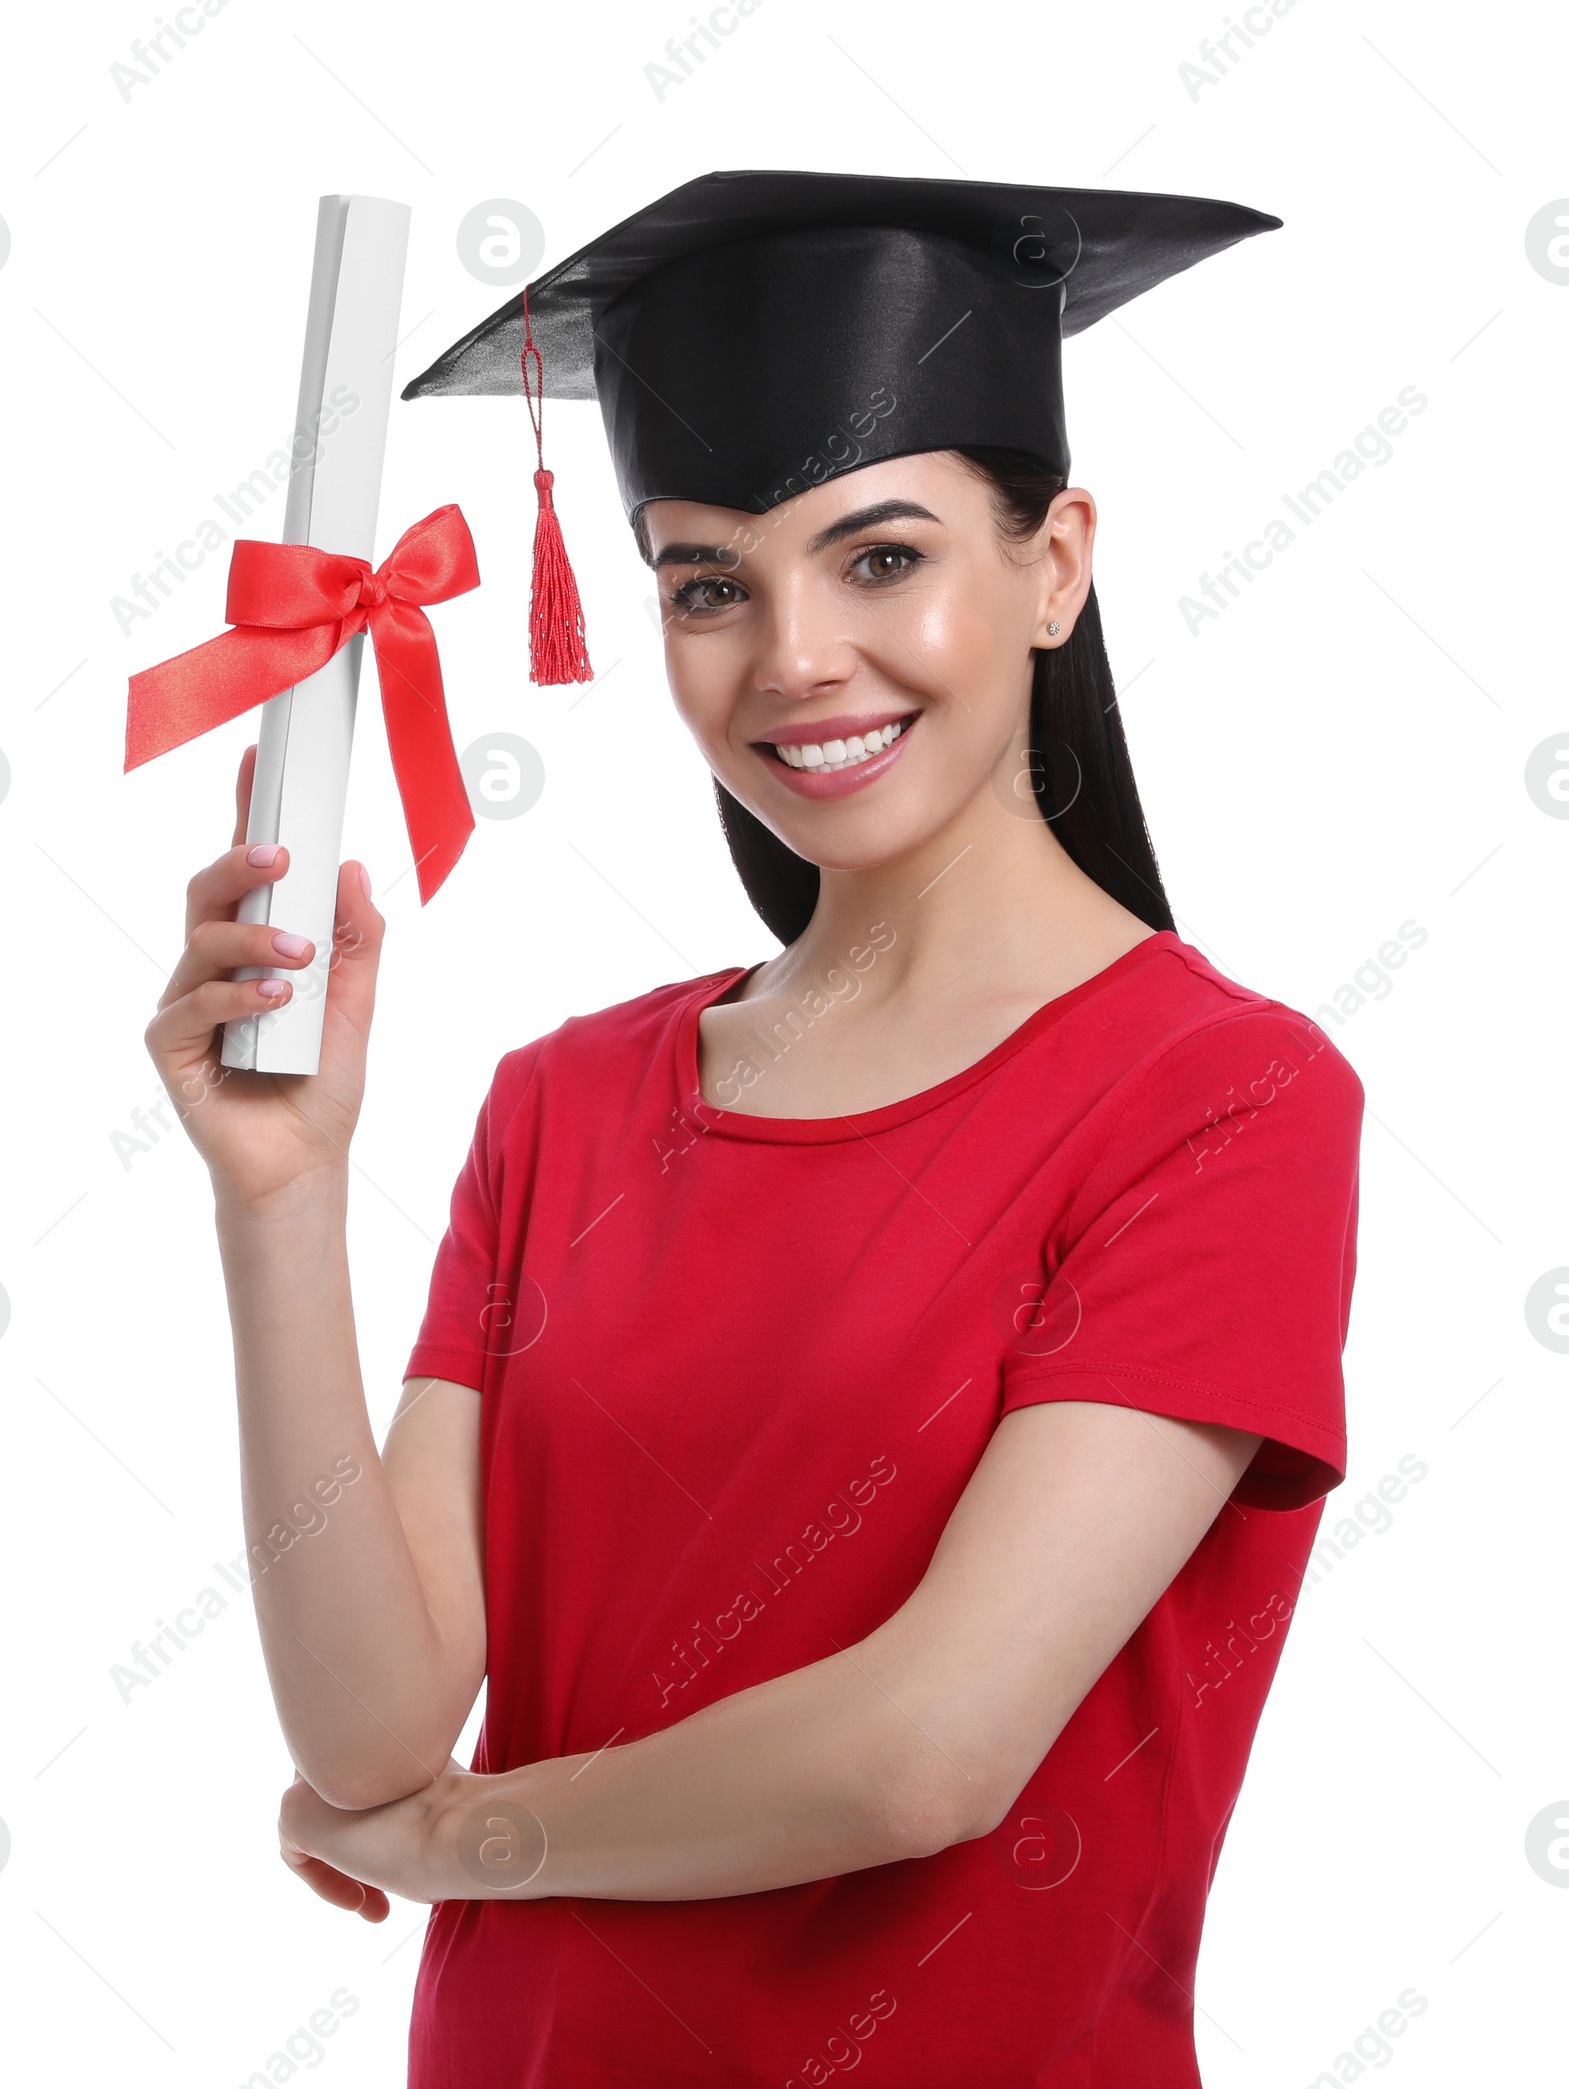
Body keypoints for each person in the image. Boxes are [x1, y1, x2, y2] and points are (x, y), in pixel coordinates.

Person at [145, 172, 1365, 2087]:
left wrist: (467, 1840)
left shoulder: (1223, 1099)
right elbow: (370, 1729)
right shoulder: (564, 1101)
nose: (790, 657)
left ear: (1054, 563)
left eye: (880, 558)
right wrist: (281, 1205)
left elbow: (924, 1752)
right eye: (709, 582)